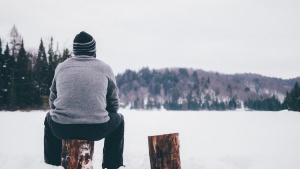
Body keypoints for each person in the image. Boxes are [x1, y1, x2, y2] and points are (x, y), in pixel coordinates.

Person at [44, 31, 124, 169]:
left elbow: (53, 100)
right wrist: (96, 113)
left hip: (62, 128)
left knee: (49, 117)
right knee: (119, 120)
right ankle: (112, 165)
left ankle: (52, 164)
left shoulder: (62, 67)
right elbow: (113, 104)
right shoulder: (105, 68)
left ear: (74, 50)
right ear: (93, 50)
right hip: (96, 128)